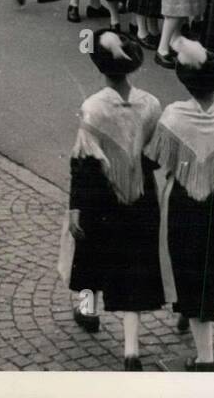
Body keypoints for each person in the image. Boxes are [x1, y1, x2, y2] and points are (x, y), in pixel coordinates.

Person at [58, 30, 164, 369]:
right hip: (141, 193)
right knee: (133, 267)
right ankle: (131, 350)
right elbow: (154, 154)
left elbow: (83, 162)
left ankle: (88, 311)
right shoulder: (151, 104)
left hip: (100, 196)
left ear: (101, 69)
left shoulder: (92, 108)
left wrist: (76, 207)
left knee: (89, 254)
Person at [147, 39, 214, 371]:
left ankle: (205, 359)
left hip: (185, 206)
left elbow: (153, 159)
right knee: (209, 273)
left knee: (189, 274)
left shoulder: (174, 117)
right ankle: (190, 320)